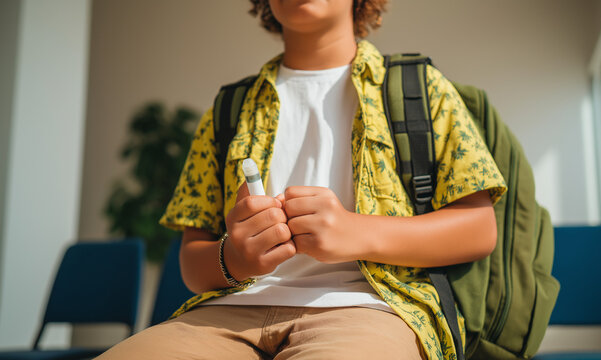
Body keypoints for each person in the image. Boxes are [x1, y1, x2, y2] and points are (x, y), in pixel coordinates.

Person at [97, 0, 506, 359]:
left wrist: (356, 231)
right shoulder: (229, 108)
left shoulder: (420, 88)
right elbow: (192, 261)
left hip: (372, 310)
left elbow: (479, 227)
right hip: (228, 315)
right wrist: (234, 259)